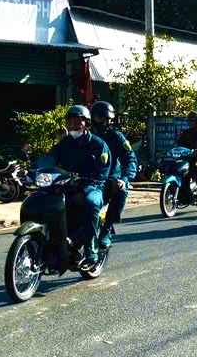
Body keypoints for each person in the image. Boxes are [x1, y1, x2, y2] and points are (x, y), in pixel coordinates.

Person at [42, 105, 110, 264]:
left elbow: (102, 173)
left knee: (90, 202)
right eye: (70, 122)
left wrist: (85, 189)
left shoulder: (98, 145)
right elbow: (49, 160)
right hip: (67, 185)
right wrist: (33, 169)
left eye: (77, 122)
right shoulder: (64, 144)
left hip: (93, 187)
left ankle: (91, 246)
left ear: (87, 124)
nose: (73, 126)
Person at [90, 101, 135, 249]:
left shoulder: (116, 137)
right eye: (100, 118)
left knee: (121, 190)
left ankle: (106, 229)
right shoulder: (85, 135)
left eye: (107, 118)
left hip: (109, 179)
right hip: (87, 178)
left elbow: (130, 159)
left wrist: (124, 179)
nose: (104, 121)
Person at [173, 112, 197, 191]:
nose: (189, 122)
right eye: (188, 121)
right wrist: (171, 149)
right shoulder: (185, 133)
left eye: (192, 121)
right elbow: (178, 143)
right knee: (176, 167)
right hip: (187, 157)